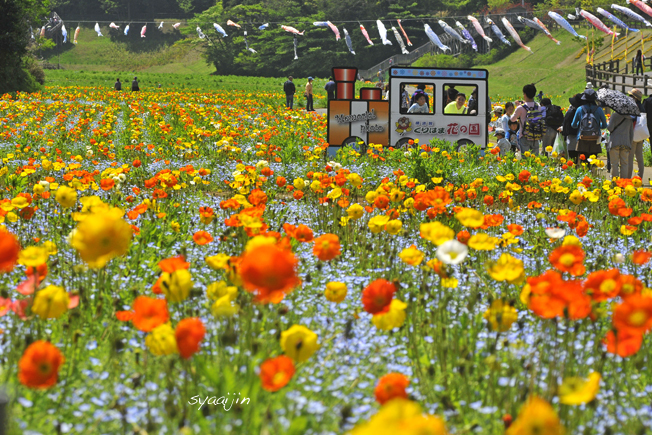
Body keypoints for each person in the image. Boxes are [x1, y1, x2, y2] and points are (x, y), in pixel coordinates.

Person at [571, 89, 608, 162]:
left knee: (583, 161)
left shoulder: (579, 109)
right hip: (595, 137)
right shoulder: (599, 109)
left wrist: (581, 124)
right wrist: (596, 125)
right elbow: (604, 125)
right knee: (593, 161)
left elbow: (574, 125)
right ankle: (593, 173)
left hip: (582, 137)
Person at [510, 84, 544, 155]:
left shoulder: (521, 108)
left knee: (525, 158)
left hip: (524, 135)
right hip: (535, 135)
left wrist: (517, 107)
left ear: (524, 94)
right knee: (535, 158)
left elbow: (512, 119)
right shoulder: (538, 106)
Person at [607, 110, 634, 178]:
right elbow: (631, 133)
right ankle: (623, 183)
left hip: (615, 142)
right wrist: (630, 145)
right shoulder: (629, 118)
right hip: (626, 143)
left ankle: (615, 183)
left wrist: (608, 122)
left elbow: (610, 128)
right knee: (624, 164)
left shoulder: (614, 115)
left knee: (614, 164)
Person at [628, 88, 645, 178]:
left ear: (634, 98)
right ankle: (640, 177)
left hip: (633, 135)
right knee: (640, 158)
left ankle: (628, 177)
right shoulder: (642, 107)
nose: (629, 97)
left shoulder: (633, 107)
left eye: (631, 96)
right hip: (641, 135)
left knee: (630, 158)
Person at [562, 94, 582, 163]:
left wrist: (564, 134)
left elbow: (565, 125)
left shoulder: (570, 112)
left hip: (571, 137)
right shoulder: (584, 112)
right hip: (582, 136)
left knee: (572, 158)